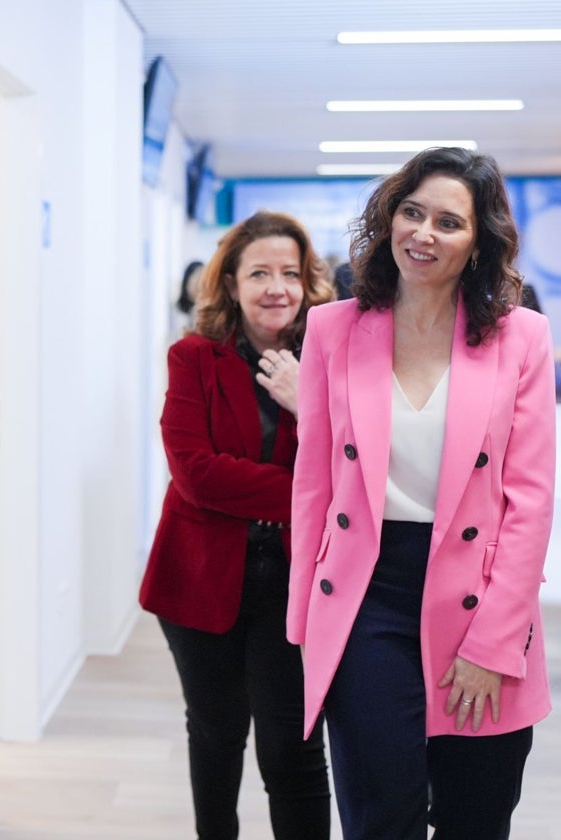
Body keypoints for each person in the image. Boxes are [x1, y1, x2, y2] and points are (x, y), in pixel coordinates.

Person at [289, 147, 554, 839]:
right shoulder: (332, 328)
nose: (424, 234)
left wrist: (495, 645)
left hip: (481, 596)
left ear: (477, 243)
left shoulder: (521, 337)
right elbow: (313, 484)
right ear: (388, 220)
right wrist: (304, 623)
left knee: (475, 817)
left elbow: (529, 502)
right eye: (412, 212)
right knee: (381, 818)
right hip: (364, 597)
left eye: (448, 221)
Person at [138, 211, 335, 840]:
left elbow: (354, 470)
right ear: (230, 284)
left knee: (293, 748)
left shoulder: (332, 362)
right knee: (217, 734)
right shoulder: (193, 357)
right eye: (260, 273)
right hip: (200, 577)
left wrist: (307, 406)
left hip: (297, 583)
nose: (276, 287)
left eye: (290, 273)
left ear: (309, 284)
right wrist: (308, 493)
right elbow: (195, 473)